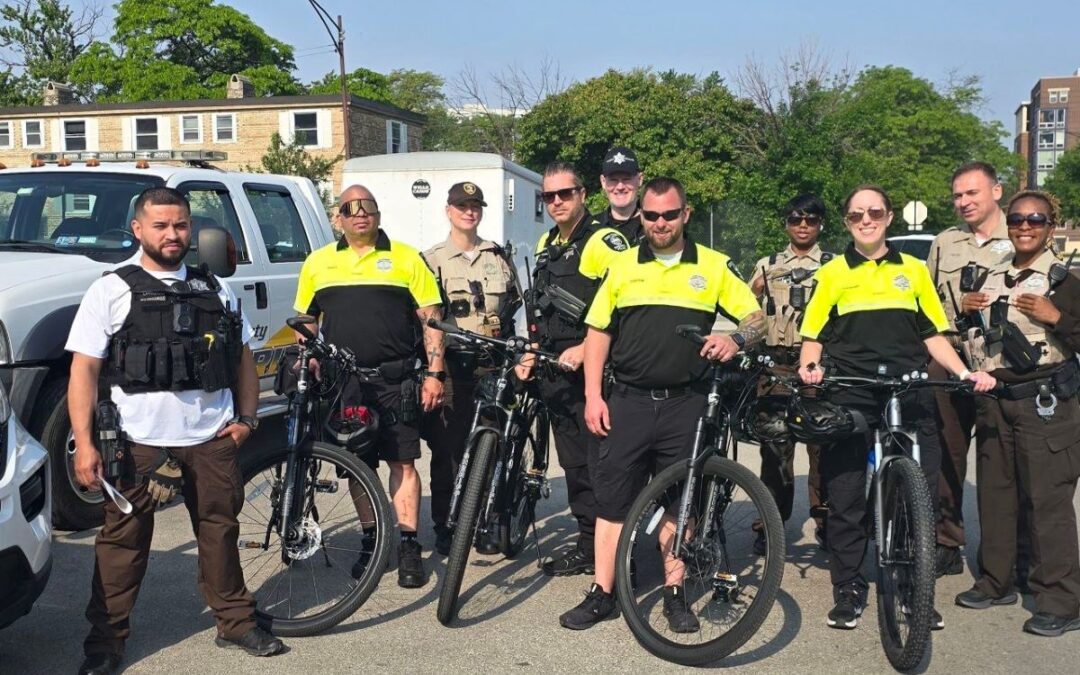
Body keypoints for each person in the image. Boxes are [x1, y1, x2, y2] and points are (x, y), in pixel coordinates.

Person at [67, 187, 283, 675]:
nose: (172, 234)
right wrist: (85, 444)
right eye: (160, 225)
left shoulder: (215, 288)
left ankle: (236, 622)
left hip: (211, 440)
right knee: (122, 546)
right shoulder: (111, 289)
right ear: (138, 229)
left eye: (181, 225)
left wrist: (248, 420)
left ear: (191, 229)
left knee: (220, 532)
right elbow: (84, 370)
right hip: (137, 444)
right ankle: (106, 643)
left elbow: (243, 358)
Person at [561, 175, 765, 630]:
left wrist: (735, 338)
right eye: (651, 215)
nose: (660, 222)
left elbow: (757, 318)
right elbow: (598, 333)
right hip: (627, 401)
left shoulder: (713, 266)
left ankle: (675, 594)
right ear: (641, 216)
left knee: (680, 502)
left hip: (686, 404)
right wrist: (593, 396)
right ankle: (603, 593)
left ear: (685, 214)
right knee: (612, 502)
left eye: (669, 214)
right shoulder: (622, 266)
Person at [798, 185, 996, 631]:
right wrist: (810, 368)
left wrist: (964, 372)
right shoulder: (832, 273)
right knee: (846, 497)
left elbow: (933, 335)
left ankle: (912, 588)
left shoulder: (913, 270)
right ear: (847, 222)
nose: (865, 220)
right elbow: (813, 336)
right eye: (856, 215)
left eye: (874, 212)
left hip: (909, 391)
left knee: (916, 497)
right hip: (851, 391)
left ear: (889, 217)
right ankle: (848, 588)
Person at [293, 184, 445, 589]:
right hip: (344, 384)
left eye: (368, 207)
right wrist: (308, 355)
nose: (360, 214)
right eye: (350, 208)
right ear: (338, 217)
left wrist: (435, 373)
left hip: (396, 381)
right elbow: (306, 321)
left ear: (378, 214)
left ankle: (408, 544)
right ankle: (373, 540)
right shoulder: (317, 263)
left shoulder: (406, 258)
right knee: (357, 467)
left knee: (403, 463)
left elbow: (431, 318)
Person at [954, 189, 1080, 637]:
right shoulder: (993, 275)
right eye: (1017, 219)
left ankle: (1061, 601)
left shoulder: (1065, 281)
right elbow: (972, 336)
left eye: (1036, 219)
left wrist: (1057, 317)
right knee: (996, 497)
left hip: (1045, 402)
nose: (1025, 226)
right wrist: (966, 310)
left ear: (1050, 226)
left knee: (1047, 503)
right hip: (995, 401)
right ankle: (997, 581)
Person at [526, 161, 629, 577]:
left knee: (604, 468)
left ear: (583, 194)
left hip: (595, 374)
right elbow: (539, 305)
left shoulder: (604, 240)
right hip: (555, 373)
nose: (556, 202)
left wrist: (587, 348)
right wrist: (532, 350)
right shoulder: (546, 241)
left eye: (564, 193)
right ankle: (588, 546)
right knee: (575, 468)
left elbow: (626, 301)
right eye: (548, 196)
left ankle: (619, 558)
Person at [926, 161, 1016, 577]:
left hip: (1003, 361)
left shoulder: (1020, 235)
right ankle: (947, 541)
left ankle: (1005, 554)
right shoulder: (945, 242)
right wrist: (956, 308)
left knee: (1001, 460)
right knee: (945, 453)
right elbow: (927, 304)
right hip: (952, 357)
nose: (963, 202)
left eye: (972, 193)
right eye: (957, 195)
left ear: (996, 191)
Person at [422, 181, 519, 556]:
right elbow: (426, 319)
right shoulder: (431, 260)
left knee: (490, 446)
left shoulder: (498, 256)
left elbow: (513, 307)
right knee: (448, 449)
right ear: (448, 210)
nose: (469, 211)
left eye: (475, 205)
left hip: (492, 363)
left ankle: (483, 521)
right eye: (462, 205)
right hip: (452, 365)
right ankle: (446, 524)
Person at [748, 194, 832, 553]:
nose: (803, 226)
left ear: (820, 224)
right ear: (786, 223)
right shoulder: (767, 265)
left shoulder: (832, 266)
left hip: (818, 364)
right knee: (774, 448)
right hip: (776, 364)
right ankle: (770, 525)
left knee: (823, 447)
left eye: (810, 219)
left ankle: (827, 521)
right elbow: (749, 313)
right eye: (796, 219)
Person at [595, 146, 644, 243]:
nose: (620, 187)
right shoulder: (591, 229)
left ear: (640, 179)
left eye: (626, 179)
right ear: (603, 182)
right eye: (613, 180)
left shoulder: (655, 226)